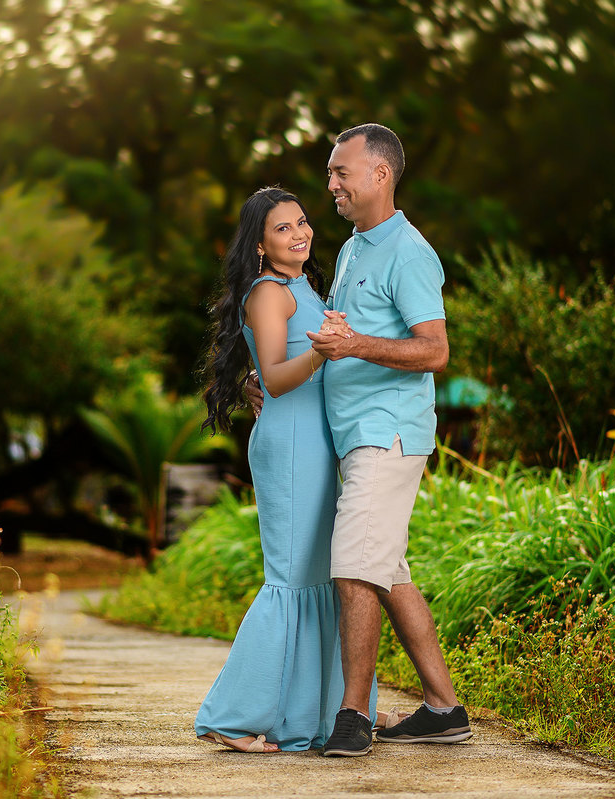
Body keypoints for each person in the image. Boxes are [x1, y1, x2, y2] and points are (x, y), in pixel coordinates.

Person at [195, 186, 391, 754]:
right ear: (259, 244)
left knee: (321, 579)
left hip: (320, 442)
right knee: (289, 578)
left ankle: (307, 718)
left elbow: (271, 373)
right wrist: (322, 352)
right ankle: (234, 718)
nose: (300, 233)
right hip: (290, 447)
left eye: (302, 222)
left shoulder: (305, 287)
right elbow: (278, 379)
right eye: (283, 228)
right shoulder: (268, 293)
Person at [303, 123, 472, 756]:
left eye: (341, 172)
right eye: (330, 173)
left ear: (380, 175)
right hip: (355, 435)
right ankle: (443, 708)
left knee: (353, 565)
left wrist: (356, 346)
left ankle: (352, 717)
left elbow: (435, 350)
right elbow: (342, 338)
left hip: (389, 434)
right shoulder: (353, 247)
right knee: (385, 569)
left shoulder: (408, 251)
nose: (332, 185)